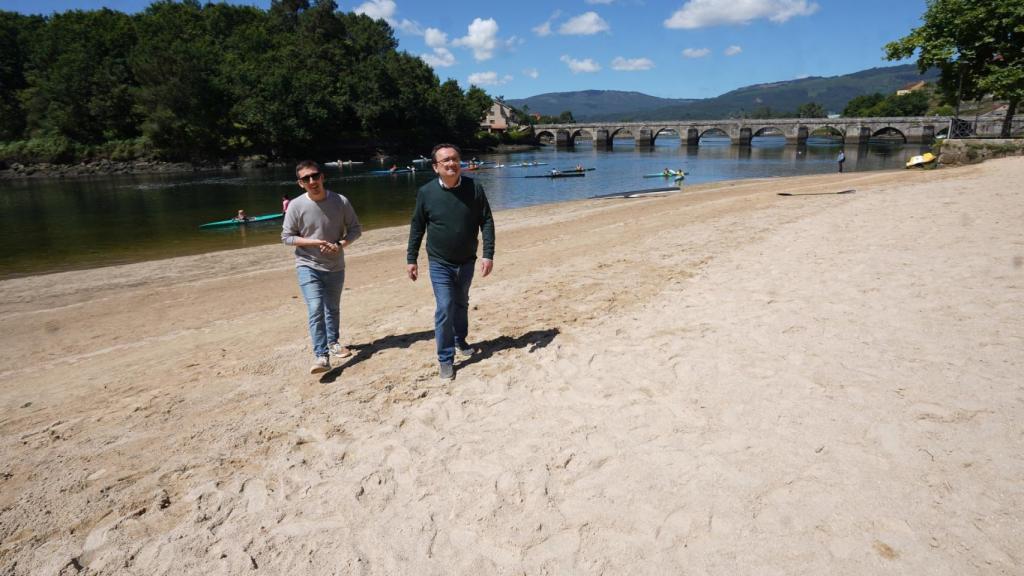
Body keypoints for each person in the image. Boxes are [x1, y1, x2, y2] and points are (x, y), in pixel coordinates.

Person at [407, 143, 495, 381]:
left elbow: (486, 221)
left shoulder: (474, 188)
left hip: (467, 260)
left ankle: (460, 340)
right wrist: (411, 258)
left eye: (455, 159)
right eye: (445, 160)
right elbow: (417, 227)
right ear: (436, 167)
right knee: (445, 307)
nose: (451, 163)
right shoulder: (426, 192)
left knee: (461, 303)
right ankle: (445, 359)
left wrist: (488, 254)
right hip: (439, 262)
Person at [282, 160, 362, 375]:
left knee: (332, 308)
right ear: (300, 183)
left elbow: (355, 229)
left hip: (336, 266)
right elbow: (287, 238)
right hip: (307, 264)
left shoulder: (340, 201)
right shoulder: (296, 206)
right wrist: (315, 242)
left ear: (322, 177)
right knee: (316, 307)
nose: (312, 181)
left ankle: (333, 342)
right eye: (306, 178)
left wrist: (340, 245)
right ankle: (321, 355)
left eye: (314, 176)